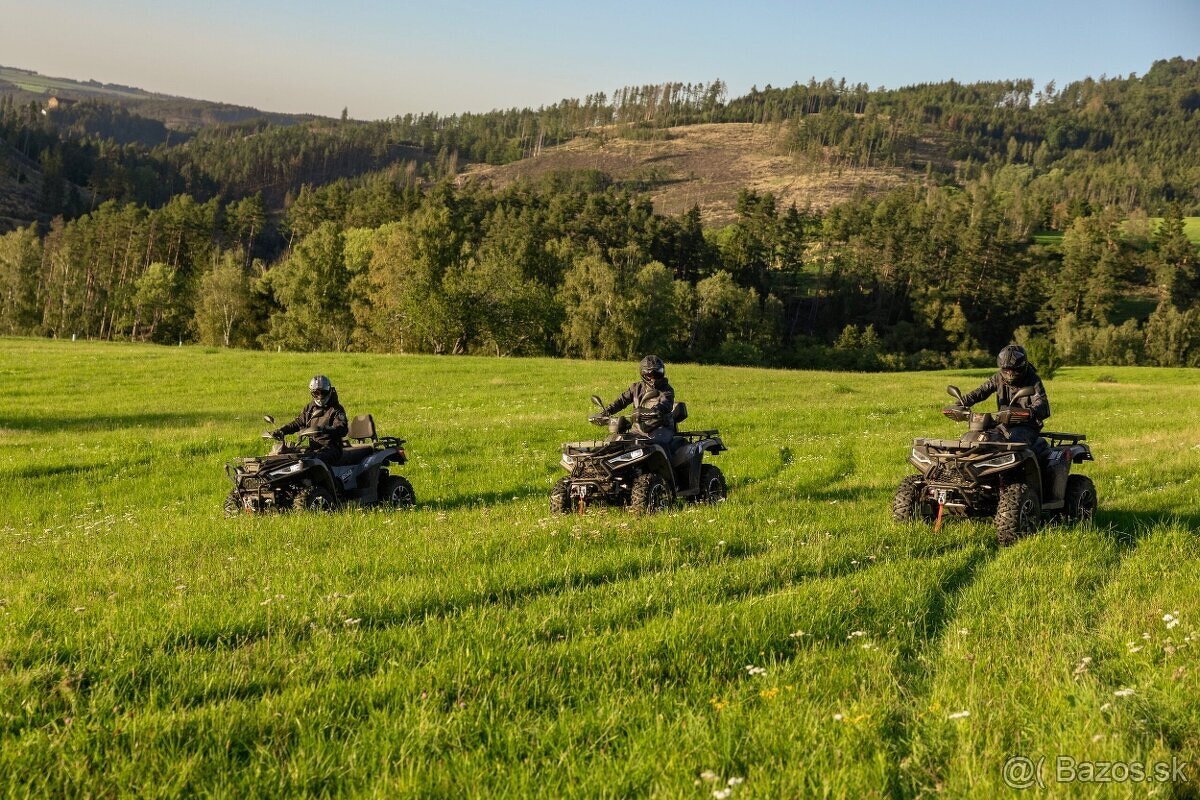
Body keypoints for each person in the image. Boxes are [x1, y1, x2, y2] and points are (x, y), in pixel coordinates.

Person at [959, 344, 1050, 447]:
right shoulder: (998, 378)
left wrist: (1029, 412)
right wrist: (961, 403)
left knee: (1011, 443)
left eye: (1013, 370)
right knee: (978, 438)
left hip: (1026, 426)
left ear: (1022, 367)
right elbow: (980, 392)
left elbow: (1042, 404)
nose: (1010, 374)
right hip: (1003, 425)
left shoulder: (1032, 379)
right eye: (1006, 370)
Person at [596, 355, 677, 448]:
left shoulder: (666, 389)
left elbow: (666, 404)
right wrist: (606, 411)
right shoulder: (636, 388)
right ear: (643, 374)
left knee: (656, 446)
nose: (653, 377)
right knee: (615, 442)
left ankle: (666, 457)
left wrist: (654, 411)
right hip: (638, 429)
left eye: (657, 373)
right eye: (650, 374)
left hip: (661, 428)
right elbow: (621, 401)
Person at [271, 375, 349, 465]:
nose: (320, 396)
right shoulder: (310, 408)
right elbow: (298, 423)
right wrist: (282, 430)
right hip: (315, 448)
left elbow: (342, 429)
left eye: (323, 393)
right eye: (316, 393)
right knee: (292, 459)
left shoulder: (336, 409)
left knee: (314, 462)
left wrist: (323, 429)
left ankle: (328, 475)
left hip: (332, 448)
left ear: (329, 391)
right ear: (312, 393)